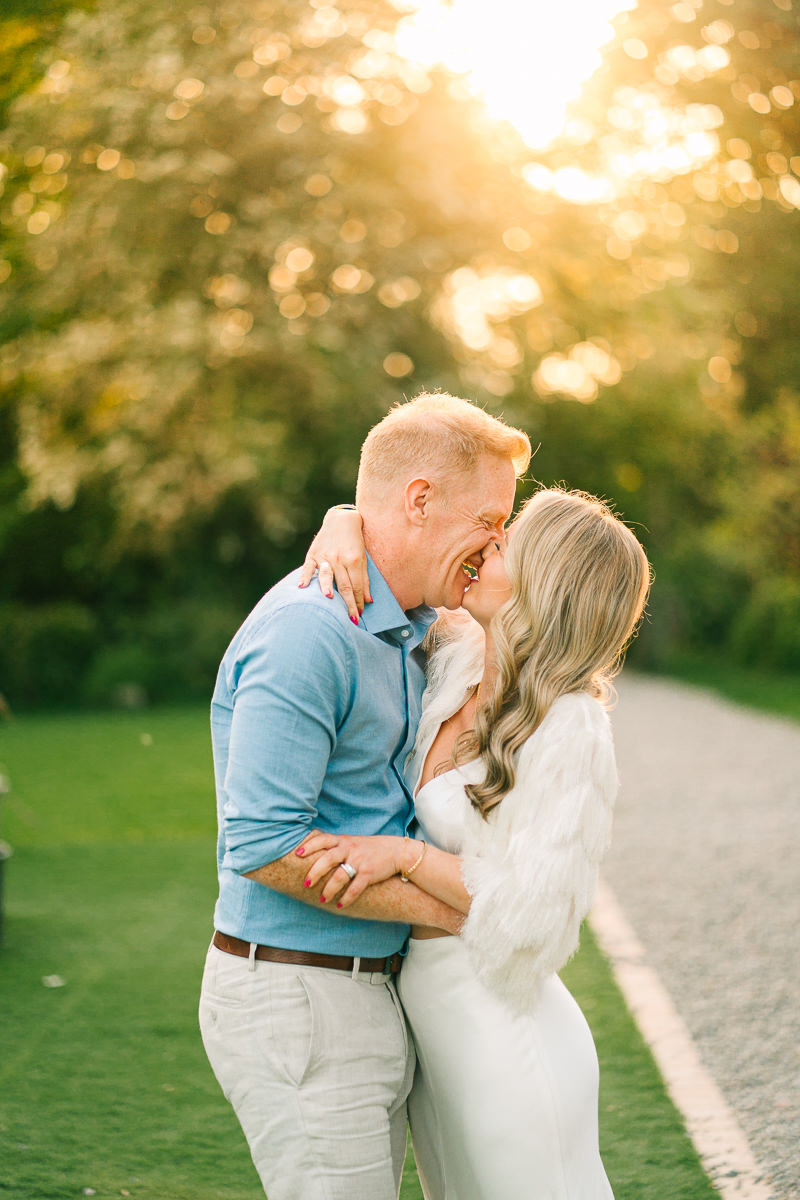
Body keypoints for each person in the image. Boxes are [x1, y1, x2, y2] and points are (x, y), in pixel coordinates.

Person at [198, 392, 531, 1200]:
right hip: (300, 998)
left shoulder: (409, 624)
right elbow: (266, 845)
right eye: (490, 517)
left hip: (362, 988)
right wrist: (455, 915)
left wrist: (346, 515)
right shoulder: (310, 632)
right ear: (421, 499)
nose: (498, 542)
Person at [298, 487, 651, 1199]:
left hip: (506, 1039)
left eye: (505, 543)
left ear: (545, 585)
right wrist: (343, 522)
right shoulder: (456, 654)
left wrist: (404, 857)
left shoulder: (571, 726)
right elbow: (399, 555)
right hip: (436, 1030)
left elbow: (532, 917)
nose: (487, 544)